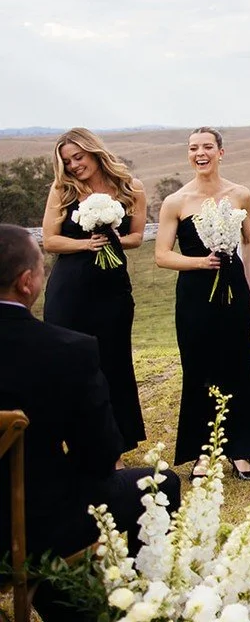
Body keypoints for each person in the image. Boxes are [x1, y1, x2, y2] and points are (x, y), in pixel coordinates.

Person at [0, 224, 180, 622]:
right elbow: (99, 458)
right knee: (161, 484)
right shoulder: (68, 351)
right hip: (33, 528)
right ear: (27, 283)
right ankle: (116, 609)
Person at [153, 127, 250, 478]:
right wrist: (200, 263)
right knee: (199, 369)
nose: (200, 153)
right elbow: (161, 256)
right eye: (193, 148)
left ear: (221, 152)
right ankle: (203, 453)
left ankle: (241, 450)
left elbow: (249, 242)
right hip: (194, 294)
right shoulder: (176, 202)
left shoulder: (241, 195)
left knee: (238, 366)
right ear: (189, 155)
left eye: (207, 147)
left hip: (234, 290)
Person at [41, 127, 148, 452]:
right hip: (70, 289)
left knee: (113, 360)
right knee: (68, 361)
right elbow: (50, 240)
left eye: (78, 157)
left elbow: (137, 237)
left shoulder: (131, 188)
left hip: (112, 289)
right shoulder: (62, 189)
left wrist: (110, 236)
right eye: (67, 160)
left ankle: (116, 439)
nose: (73, 165)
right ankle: (68, 441)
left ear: (94, 152)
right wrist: (86, 243)